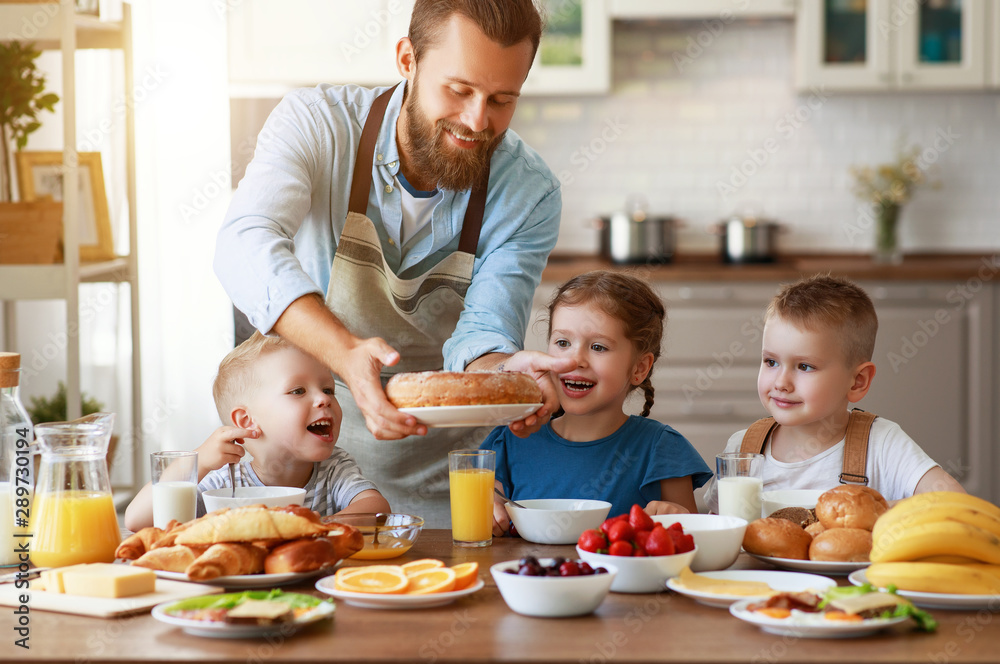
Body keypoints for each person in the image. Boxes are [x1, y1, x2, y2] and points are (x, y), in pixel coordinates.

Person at [213, 0, 572, 526]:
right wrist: (346, 354)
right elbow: (243, 242)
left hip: (454, 495)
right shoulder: (318, 126)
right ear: (407, 59)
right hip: (309, 488)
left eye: (502, 99)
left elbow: (485, 331)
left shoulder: (528, 192)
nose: (478, 120)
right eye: (459, 89)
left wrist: (506, 375)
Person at [704, 274, 965, 513]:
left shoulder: (882, 444)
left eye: (804, 366)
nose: (781, 382)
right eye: (771, 362)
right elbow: (717, 526)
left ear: (857, 382)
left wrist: (869, 512)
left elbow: (954, 501)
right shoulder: (743, 449)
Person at [481, 271, 713, 535]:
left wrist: (681, 521)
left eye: (598, 347)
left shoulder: (661, 450)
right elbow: (481, 513)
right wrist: (489, 506)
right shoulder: (510, 439)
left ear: (639, 367)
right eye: (563, 342)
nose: (575, 359)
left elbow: (691, 542)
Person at [124, 332, 389, 531]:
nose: (323, 399)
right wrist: (200, 460)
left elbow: (376, 508)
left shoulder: (334, 469)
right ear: (247, 421)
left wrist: (319, 528)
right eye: (298, 391)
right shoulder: (226, 482)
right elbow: (138, 519)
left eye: (328, 389)